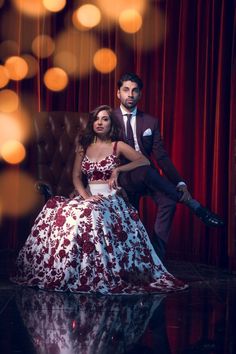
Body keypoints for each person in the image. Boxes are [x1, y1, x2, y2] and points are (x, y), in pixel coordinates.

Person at [11, 105, 188, 295]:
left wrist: (119, 170)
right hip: (88, 195)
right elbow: (76, 177)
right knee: (61, 210)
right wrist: (87, 197)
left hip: (111, 197)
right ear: (92, 123)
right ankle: (66, 269)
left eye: (105, 119)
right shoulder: (84, 146)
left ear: (111, 124)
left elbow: (143, 161)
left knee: (91, 212)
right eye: (97, 119)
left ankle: (97, 271)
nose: (100, 122)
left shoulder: (117, 145)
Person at [112, 72, 224, 261]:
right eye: (126, 90)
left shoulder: (150, 122)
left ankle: (157, 260)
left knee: (168, 201)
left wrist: (180, 182)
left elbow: (161, 157)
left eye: (135, 91)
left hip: (149, 178)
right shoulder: (108, 118)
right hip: (124, 178)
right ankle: (195, 206)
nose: (130, 94)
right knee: (145, 169)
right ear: (118, 94)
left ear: (140, 94)